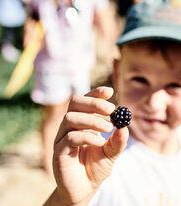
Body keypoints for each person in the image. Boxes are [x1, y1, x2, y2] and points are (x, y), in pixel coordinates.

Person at [27, 0, 181, 206]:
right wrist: (68, 200)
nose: (154, 101)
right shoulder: (98, 156)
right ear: (117, 73)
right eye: (140, 80)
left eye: (175, 86)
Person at [25, 0, 117, 177]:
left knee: (79, 111)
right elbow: (33, 16)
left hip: (79, 64)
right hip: (51, 65)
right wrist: (30, 32)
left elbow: (102, 17)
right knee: (54, 113)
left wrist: (109, 42)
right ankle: (48, 159)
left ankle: (76, 153)